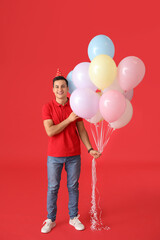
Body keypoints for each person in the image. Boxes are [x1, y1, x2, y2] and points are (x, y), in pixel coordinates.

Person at [41, 69, 101, 233]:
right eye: (57, 87)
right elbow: (50, 131)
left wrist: (90, 149)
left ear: (68, 89)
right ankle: (50, 220)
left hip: (74, 155)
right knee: (53, 188)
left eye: (63, 86)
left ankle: (73, 217)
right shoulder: (47, 107)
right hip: (54, 156)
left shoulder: (75, 105)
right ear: (53, 89)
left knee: (73, 187)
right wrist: (68, 120)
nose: (60, 89)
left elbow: (81, 130)